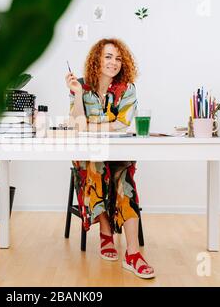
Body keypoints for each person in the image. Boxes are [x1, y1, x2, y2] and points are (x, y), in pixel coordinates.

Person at [65, 38, 155, 279]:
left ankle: (133, 253)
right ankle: (106, 234)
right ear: (97, 59)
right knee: (94, 166)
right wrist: (76, 95)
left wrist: (90, 126)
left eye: (117, 58)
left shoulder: (128, 88)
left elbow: (123, 124)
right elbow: (76, 124)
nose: (113, 62)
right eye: (107, 56)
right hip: (88, 156)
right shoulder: (81, 87)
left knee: (123, 181)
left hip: (119, 154)